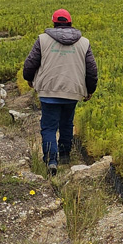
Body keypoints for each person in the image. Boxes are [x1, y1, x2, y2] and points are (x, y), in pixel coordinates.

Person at [22, 9, 98, 175]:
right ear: (70, 22)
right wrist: (90, 89)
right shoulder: (84, 42)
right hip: (73, 92)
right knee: (66, 123)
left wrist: (29, 78)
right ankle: (64, 155)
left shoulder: (43, 40)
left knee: (49, 127)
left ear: (54, 23)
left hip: (48, 91)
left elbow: (30, 63)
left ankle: (51, 161)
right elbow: (91, 69)